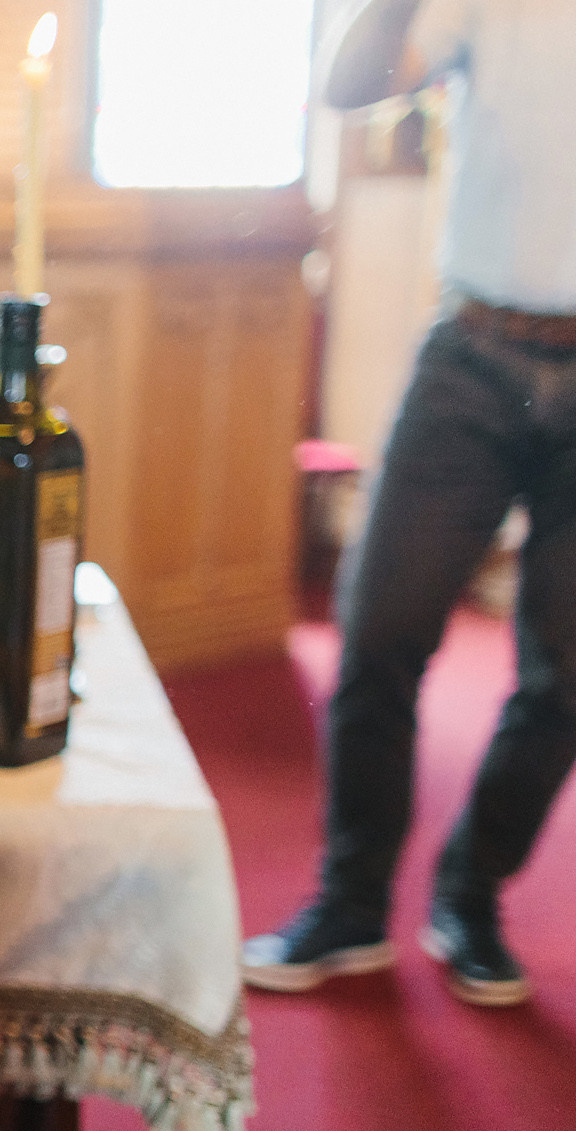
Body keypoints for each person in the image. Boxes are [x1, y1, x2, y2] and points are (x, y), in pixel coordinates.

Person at [242, 0, 576, 1007]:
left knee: (566, 676)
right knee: (380, 631)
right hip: (474, 354)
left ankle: (469, 894)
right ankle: (351, 905)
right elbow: (352, 88)